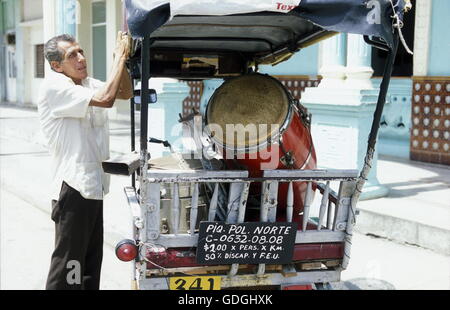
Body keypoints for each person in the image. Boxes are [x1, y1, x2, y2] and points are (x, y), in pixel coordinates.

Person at [37, 31, 133, 290]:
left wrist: (120, 61)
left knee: (90, 266)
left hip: (95, 187)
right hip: (73, 187)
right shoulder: (54, 87)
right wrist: (119, 57)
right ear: (57, 66)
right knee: (69, 266)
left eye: (81, 52)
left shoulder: (88, 83)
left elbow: (124, 92)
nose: (81, 58)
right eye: (72, 55)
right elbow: (107, 99)